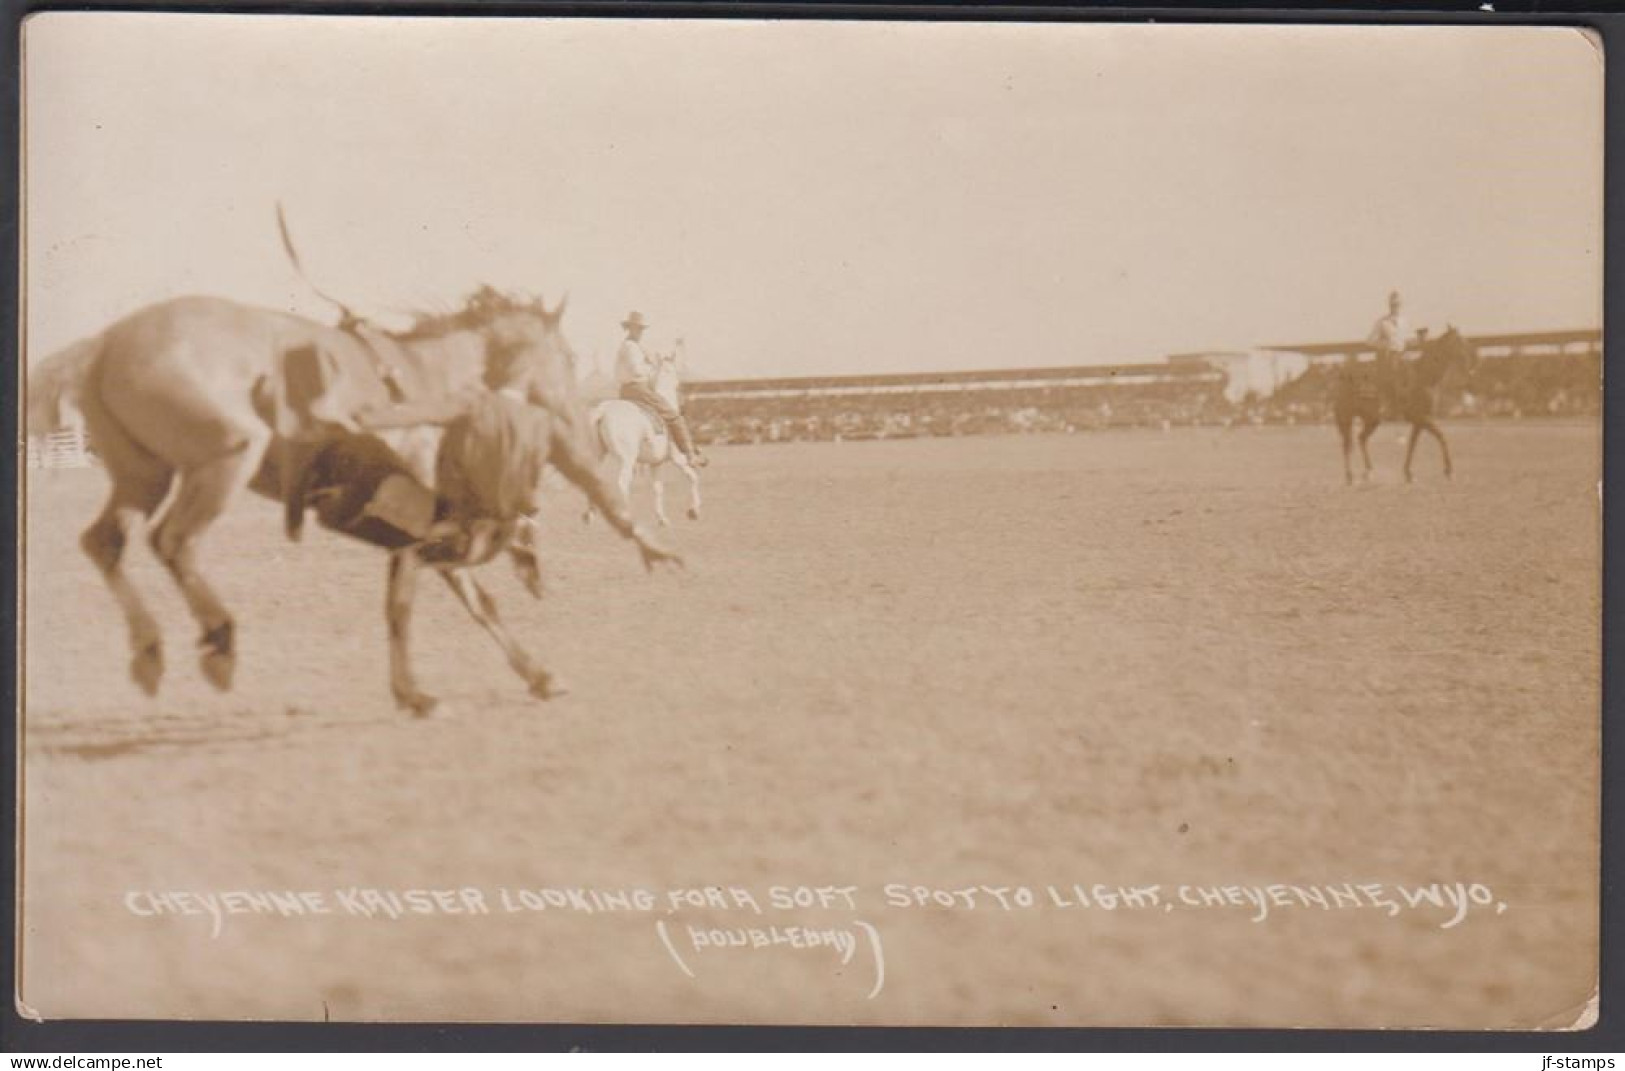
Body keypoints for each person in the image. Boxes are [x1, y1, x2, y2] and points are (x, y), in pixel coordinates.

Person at [615, 311, 707, 467]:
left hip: (625, 391)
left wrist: (661, 357)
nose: (640, 332)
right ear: (629, 328)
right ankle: (691, 456)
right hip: (638, 389)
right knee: (673, 416)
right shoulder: (632, 347)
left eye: (641, 329)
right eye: (637, 328)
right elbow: (637, 370)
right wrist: (653, 367)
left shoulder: (629, 346)